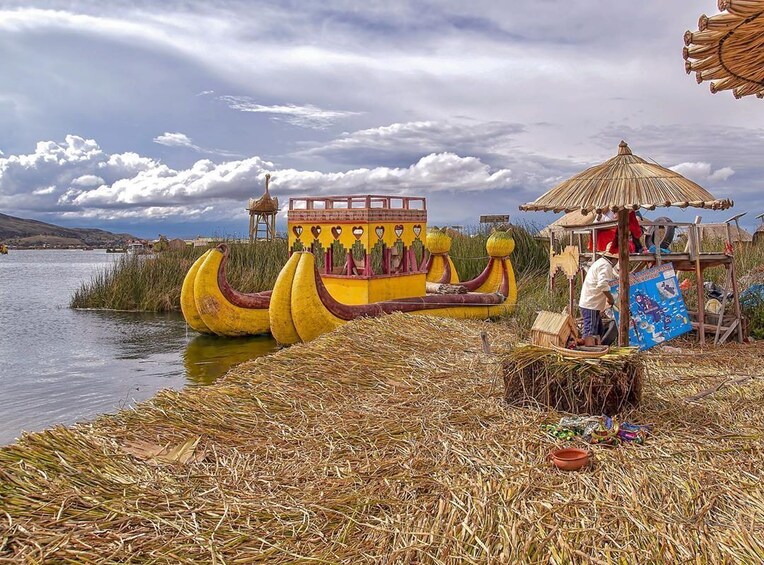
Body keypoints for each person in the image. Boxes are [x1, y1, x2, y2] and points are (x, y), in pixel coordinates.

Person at [579, 251, 618, 339]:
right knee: (590, 332)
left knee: (598, 330)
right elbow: (602, 284)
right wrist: (610, 298)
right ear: (614, 259)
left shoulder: (601, 262)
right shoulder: (605, 265)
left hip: (593, 303)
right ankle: (586, 350)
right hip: (591, 304)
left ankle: (596, 347)